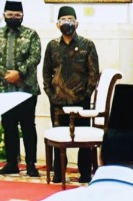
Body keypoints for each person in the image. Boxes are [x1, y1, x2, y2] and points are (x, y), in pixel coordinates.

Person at [42, 6, 100, 184]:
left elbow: (93, 74)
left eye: (70, 20)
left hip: (80, 102)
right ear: (57, 24)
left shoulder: (87, 45)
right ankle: (59, 173)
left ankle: (85, 173)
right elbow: (46, 74)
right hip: (58, 102)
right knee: (59, 138)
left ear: (77, 23)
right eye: (63, 20)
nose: (67, 23)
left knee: (84, 141)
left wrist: (86, 96)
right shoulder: (52, 46)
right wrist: (51, 95)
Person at [0, 1, 41, 177]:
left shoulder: (31, 34)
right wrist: (5, 74)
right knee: (9, 126)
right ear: (4, 15)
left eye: (17, 15)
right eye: (10, 15)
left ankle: (31, 164)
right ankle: (12, 163)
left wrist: (19, 73)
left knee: (28, 126)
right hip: (4, 89)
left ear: (22, 16)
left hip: (26, 89)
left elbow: (35, 56)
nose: (13, 18)